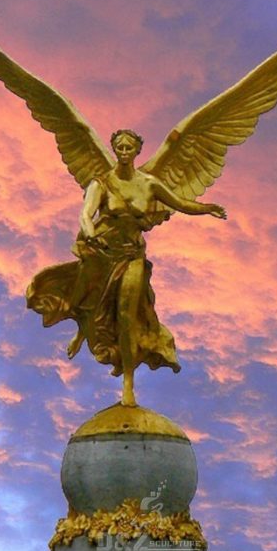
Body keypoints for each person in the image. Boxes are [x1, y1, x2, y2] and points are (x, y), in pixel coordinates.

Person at [26, 129, 226, 406]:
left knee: (126, 315)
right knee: (88, 300)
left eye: (128, 147)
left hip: (132, 255)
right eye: (119, 146)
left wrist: (206, 209)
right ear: (113, 149)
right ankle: (83, 330)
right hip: (102, 251)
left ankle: (129, 386)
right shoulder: (101, 183)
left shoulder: (150, 184)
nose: (123, 151)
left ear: (136, 150)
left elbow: (180, 204)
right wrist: (90, 234)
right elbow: (86, 214)